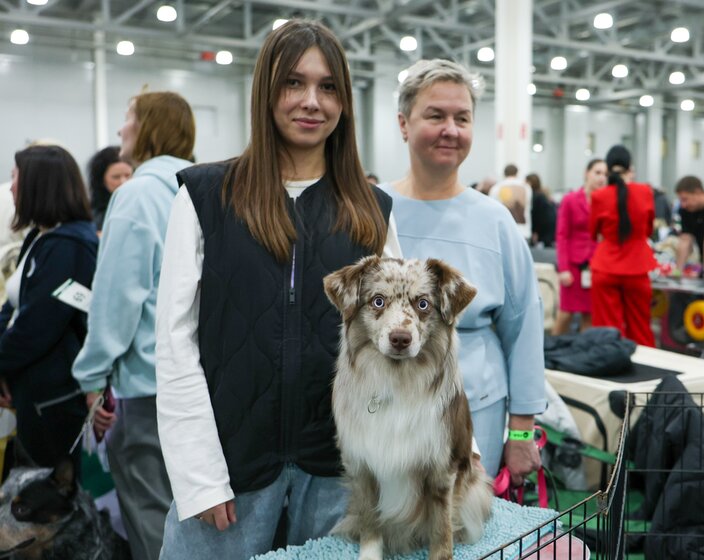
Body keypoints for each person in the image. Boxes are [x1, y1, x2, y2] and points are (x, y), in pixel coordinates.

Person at [155, 20, 399, 559]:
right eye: (294, 83)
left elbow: (396, 347)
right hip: (231, 471)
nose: (312, 101)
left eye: (328, 86)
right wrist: (199, 476)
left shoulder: (371, 212)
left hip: (338, 473)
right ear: (266, 91)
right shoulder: (204, 195)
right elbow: (175, 344)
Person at [379, 58, 545, 484]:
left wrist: (522, 430)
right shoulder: (370, 211)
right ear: (403, 124)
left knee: (462, 531)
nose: (450, 129)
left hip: (475, 408)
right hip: (381, 406)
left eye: (462, 118)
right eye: (435, 115)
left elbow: (523, 325)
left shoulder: (496, 221)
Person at [72, 91, 196, 560]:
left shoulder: (137, 194)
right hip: (203, 384)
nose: (121, 129)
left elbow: (118, 298)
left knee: (153, 520)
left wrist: (92, 374)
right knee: (200, 519)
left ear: (146, 128)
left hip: (146, 388)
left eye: (128, 118)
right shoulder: (203, 188)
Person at [0, 145, 97, 467]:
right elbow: (14, 307)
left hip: (54, 395)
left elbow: (39, 326)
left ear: (39, 185)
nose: (11, 186)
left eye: (16, 177)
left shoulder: (69, 246)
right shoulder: (40, 238)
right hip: (30, 386)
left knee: (47, 501)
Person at [588, 145, 657, 347]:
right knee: (641, 328)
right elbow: (648, 229)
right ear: (630, 168)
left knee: (607, 329)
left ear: (608, 169)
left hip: (606, 266)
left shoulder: (599, 196)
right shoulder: (645, 192)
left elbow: (593, 232)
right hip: (637, 266)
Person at [553, 159, 607, 335]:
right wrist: (563, 268)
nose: (601, 178)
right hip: (573, 266)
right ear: (587, 173)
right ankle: (548, 352)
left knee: (589, 316)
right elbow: (562, 236)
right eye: (597, 172)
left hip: (596, 266)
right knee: (565, 314)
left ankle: (583, 356)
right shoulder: (570, 200)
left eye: (605, 174)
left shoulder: (605, 202)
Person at [86, 146, 133, 232]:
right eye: (116, 177)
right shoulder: (91, 214)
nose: (123, 182)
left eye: (127, 175)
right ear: (101, 180)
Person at [489, 164, 532, 242]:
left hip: (503, 229)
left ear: (504, 173)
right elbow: (529, 206)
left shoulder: (497, 187)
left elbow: (492, 209)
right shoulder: (526, 187)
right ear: (517, 173)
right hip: (523, 229)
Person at [525, 173, 556, 247]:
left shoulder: (535, 196)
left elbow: (536, 215)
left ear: (530, 183)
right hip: (547, 229)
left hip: (542, 231)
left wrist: (535, 231)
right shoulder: (542, 195)